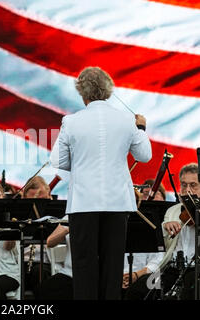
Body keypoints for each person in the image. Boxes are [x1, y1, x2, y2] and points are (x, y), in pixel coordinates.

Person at [50, 66, 152, 300]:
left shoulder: (71, 121)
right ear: (108, 90)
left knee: (85, 268)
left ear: (82, 93)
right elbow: (144, 156)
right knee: (112, 268)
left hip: (83, 204)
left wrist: (80, 165)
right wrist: (141, 128)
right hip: (117, 203)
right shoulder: (127, 120)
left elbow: (57, 160)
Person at [125, 163, 200, 300]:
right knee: (138, 289)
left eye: (193, 185)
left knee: (188, 291)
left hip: (196, 271)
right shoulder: (172, 211)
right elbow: (162, 248)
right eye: (183, 185)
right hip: (170, 270)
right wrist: (165, 228)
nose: (187, 190)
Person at [21, 176, 52, 298]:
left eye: (42, 200)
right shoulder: (18, 214)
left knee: (40, 273)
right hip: (22, 263)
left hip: (45, 263)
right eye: (32, 201)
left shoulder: (53, 214)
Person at [35, 222, 73, 300]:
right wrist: (68, 229)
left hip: (90, 275)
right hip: (68, 273)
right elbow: (50, 242)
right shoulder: (68, 218)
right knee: (44, 289)